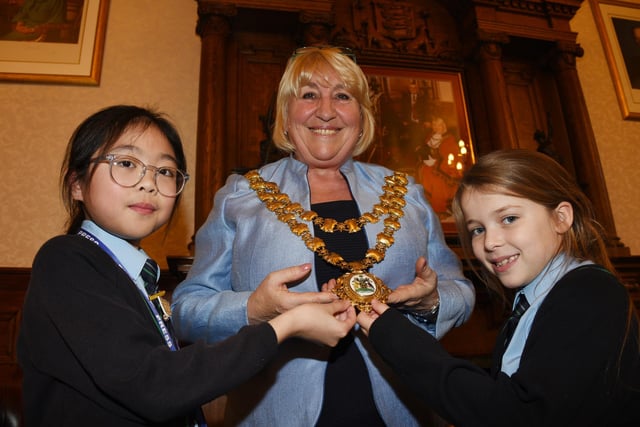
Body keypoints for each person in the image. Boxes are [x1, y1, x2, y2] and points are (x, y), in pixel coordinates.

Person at [171, 46, 475, 426]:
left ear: (362, 119)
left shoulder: (405, 192)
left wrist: (431, 301)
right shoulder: (241, 195)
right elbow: (186, 311)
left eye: (343, 96)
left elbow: (460, 291)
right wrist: (255, 309)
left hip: (400, 410)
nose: (326, 111)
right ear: (285, 116)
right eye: (309, 94)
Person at [17, 105, 357, 427]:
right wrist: (286, 325)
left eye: (165, 171)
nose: (149, 183)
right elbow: (157, 385)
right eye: (126, 163)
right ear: (76, 183)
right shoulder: (65, 260)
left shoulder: (134, 277)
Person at [357, 149, 640, 427]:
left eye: (509, 219)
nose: (490, 242)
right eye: (477, 229)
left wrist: (395, 336)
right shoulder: (535, 301)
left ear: (561, 217)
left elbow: (516, 415)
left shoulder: (587, 292)